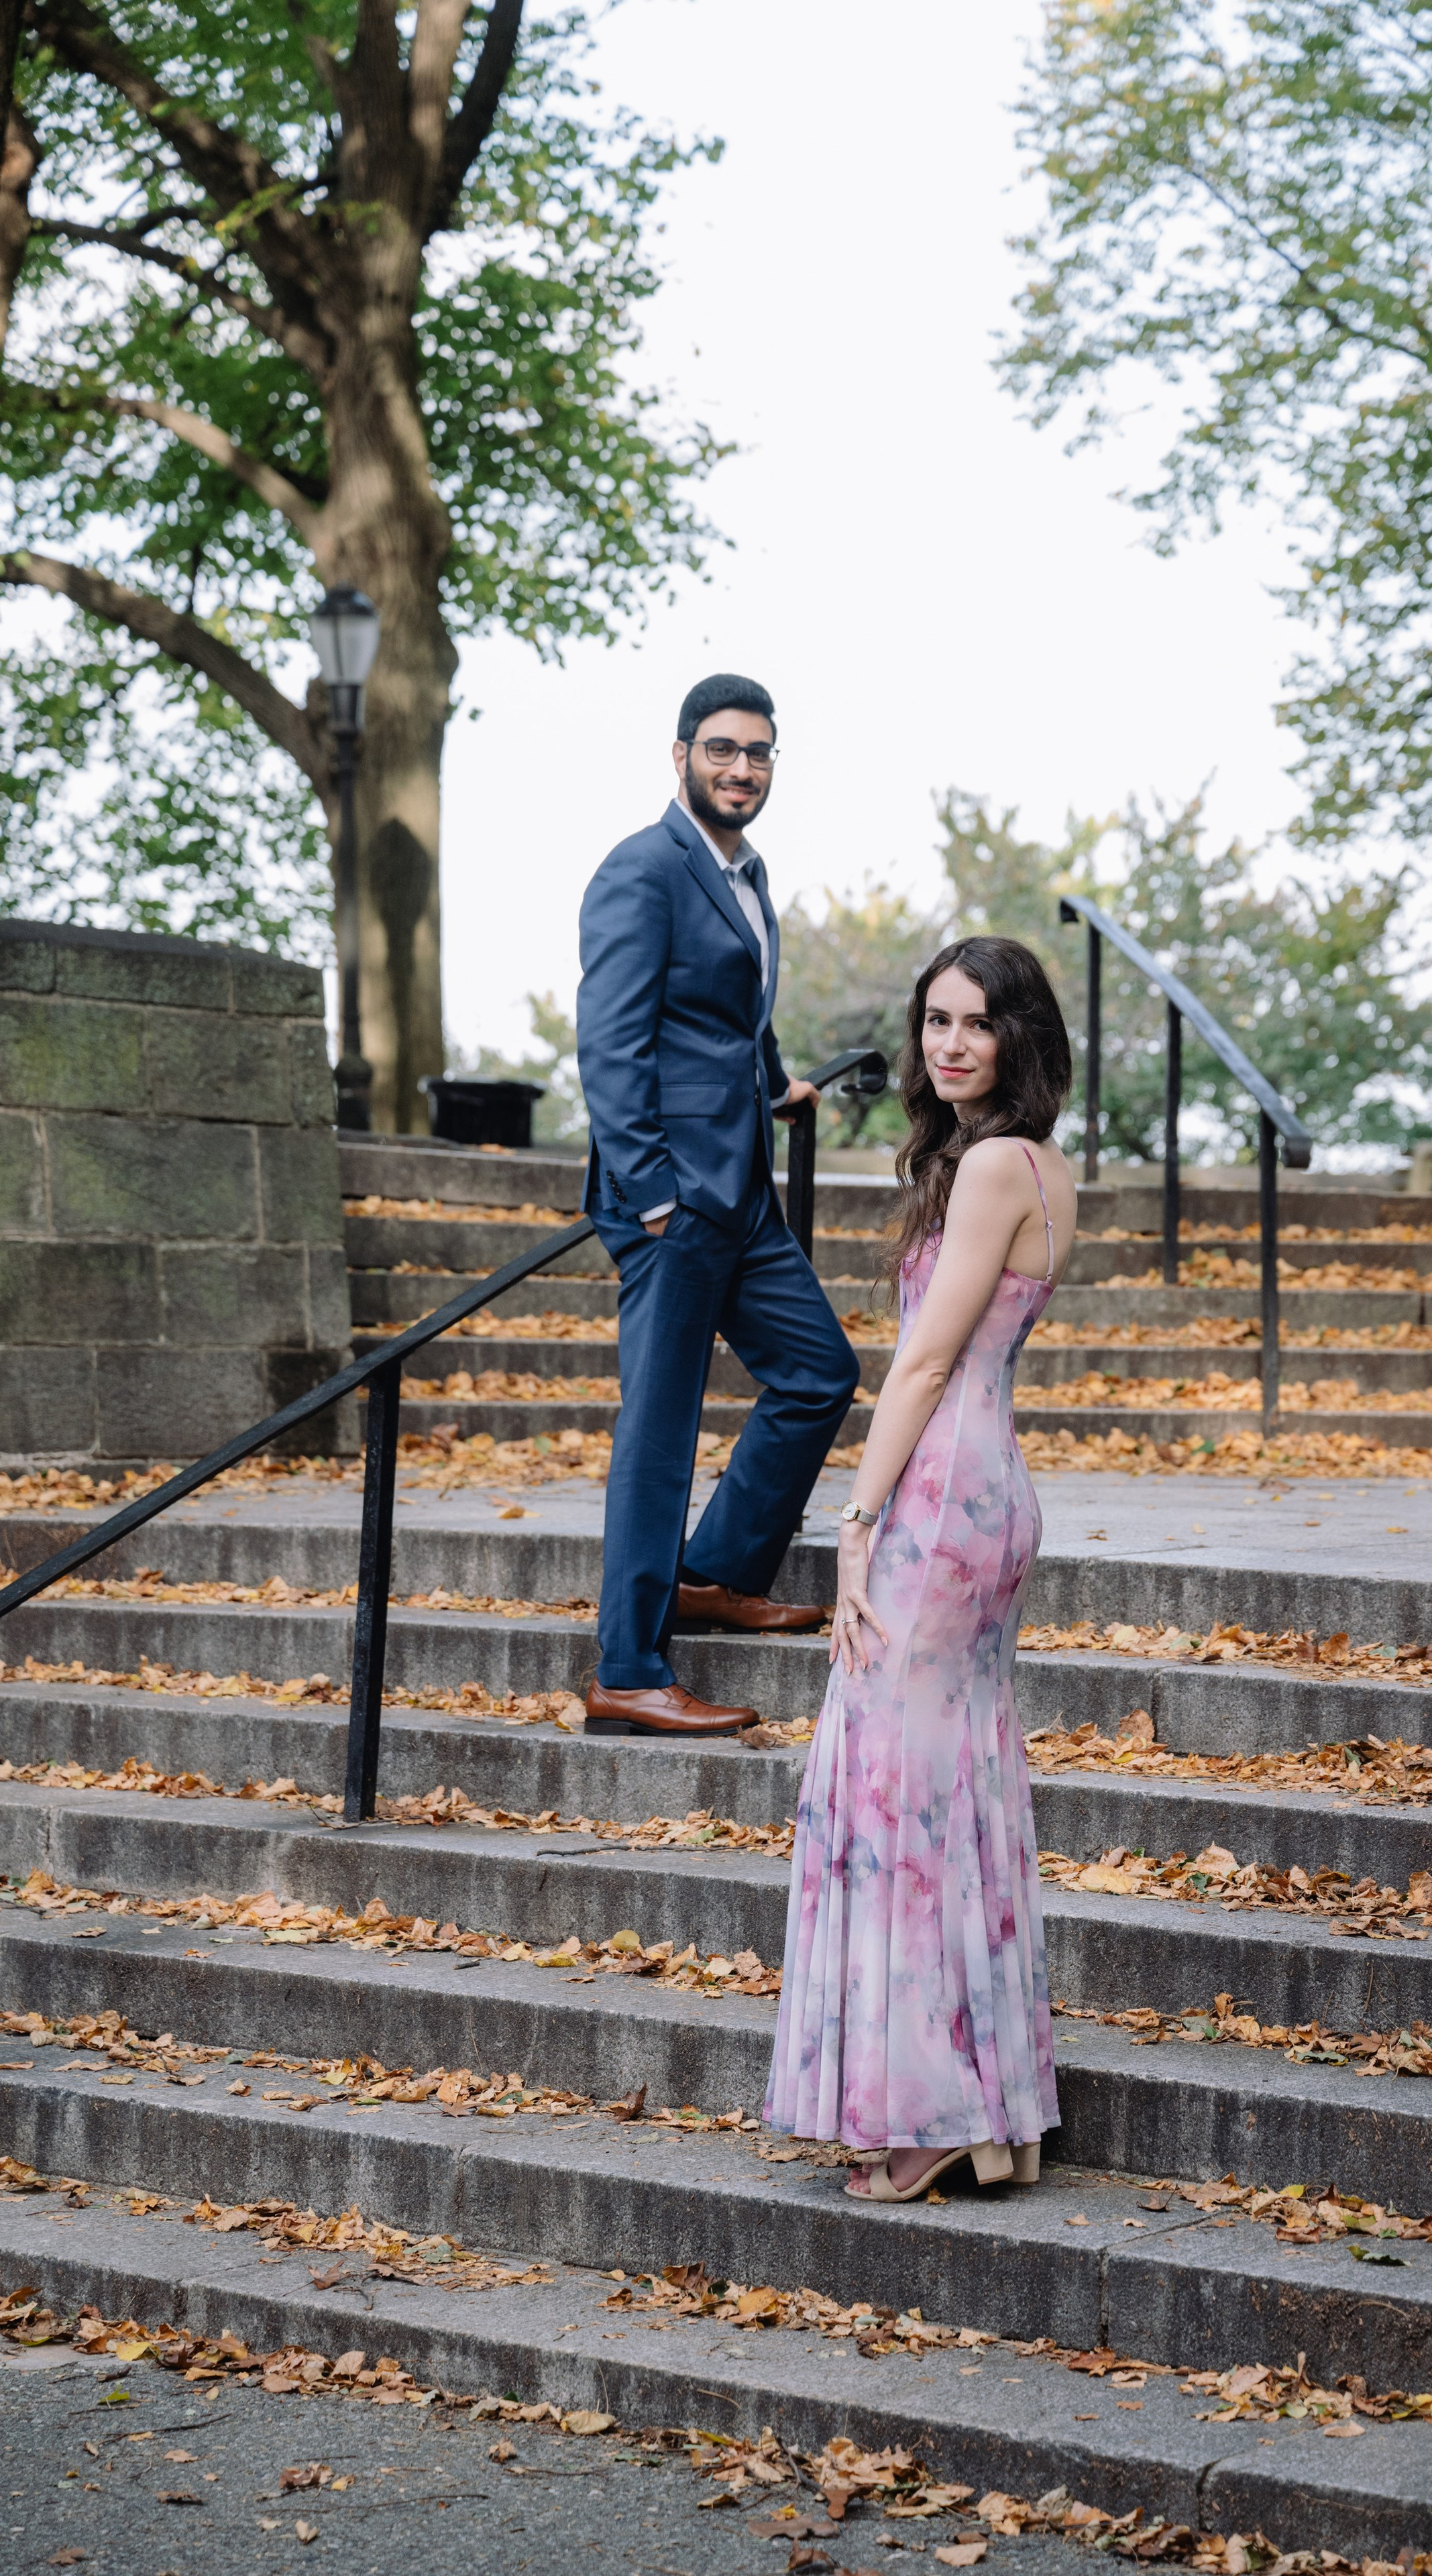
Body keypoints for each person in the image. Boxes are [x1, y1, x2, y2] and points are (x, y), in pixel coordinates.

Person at [763, 935, 1077, 2198]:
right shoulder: (1043, 1166)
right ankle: (983, 2109)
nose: (949, 1043)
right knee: (954, 1794)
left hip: (942, 1497)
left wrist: (856, 1517)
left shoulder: (995, 1162)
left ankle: (933, 2108)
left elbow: (927, 1362)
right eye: (935, 1020)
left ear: (1019, 1038)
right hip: (993, 1490)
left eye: (976, 1023)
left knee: (894, 1800)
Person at [575, 674, 861, 1738]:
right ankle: (627, 1668)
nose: (742, 768)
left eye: (760, 753)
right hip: (672, 1199)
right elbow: (610, 1042)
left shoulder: (746, 872)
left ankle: (715, 1571)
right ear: (682, 753)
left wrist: (776, 1080)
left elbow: (731, 1015)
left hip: (741, 1190)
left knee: (820, 1369)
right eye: (724, 749)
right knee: (660, 1431)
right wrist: (650, 1196)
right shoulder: (642, 868)